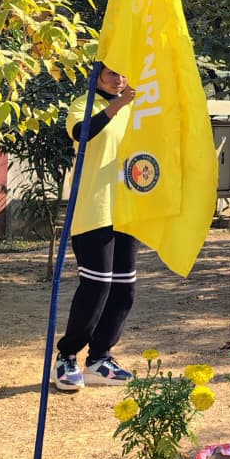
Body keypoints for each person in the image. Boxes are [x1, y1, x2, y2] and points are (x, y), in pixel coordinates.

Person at [53, 62, 138, 391]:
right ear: (97, 76)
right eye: (111, 73)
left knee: (124, 289)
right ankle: (67, 356)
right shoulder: (84, 104)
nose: (118, 79)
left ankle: (100, 359)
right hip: (94, 210)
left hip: (127, 211)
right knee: (96, 287)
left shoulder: (135, 110)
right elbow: (82, 133)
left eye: (123, 73)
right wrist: (118, 104)